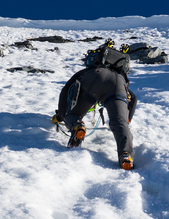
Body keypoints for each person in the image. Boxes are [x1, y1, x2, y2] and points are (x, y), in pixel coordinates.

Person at [53, 39, 138, 170]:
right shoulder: (120, 74)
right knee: (119, 122)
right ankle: (126, 155)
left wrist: (61, 116)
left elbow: (66, 90)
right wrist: (126, 121)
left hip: (94, 78)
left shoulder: (90, 69)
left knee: (74, 115)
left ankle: (77, 126)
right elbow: (133, 98)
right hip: (117, 83)